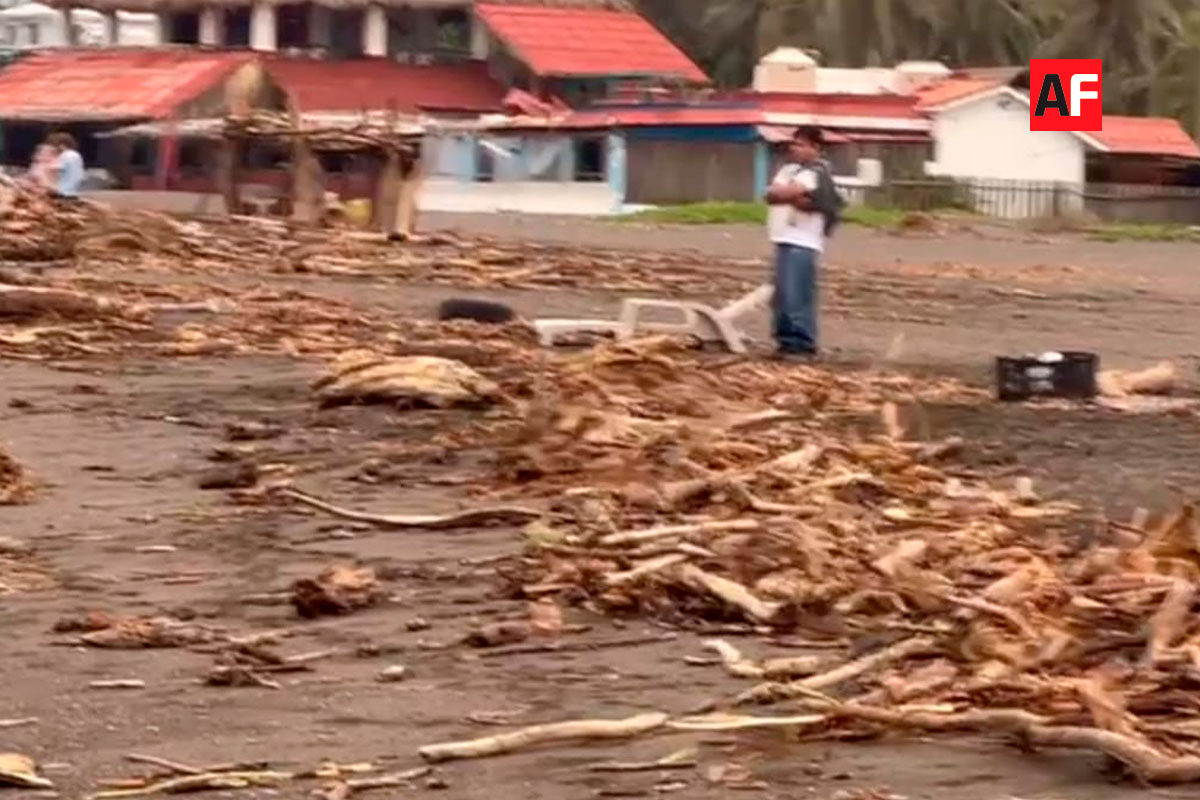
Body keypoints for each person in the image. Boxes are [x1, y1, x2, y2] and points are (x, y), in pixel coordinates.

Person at [764, 126, 844, 358]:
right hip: (783, 237)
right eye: (794, 144)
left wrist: (789, 195)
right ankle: (785, 341)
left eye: (801, 144)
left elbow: (783, 194)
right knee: (782, 295)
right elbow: (773, 194)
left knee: (796, 294)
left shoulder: (817, 171)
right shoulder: (789, 169)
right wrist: (793, 197)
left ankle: (801, 342)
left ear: (815, 148)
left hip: (803, 241)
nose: (794, 148)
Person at [46, 131, 85, 199]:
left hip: (62, 192)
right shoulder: (76, 155)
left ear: (61, 145)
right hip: (73, 191)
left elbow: (53, 169)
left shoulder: (65, 155)